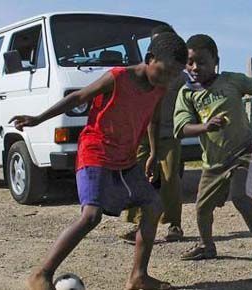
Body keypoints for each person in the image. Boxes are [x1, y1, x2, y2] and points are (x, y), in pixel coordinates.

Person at [11, 32, 187, 290]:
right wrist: (38, 118)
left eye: (175, 75)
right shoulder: (119, 77)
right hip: (96, 151)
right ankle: (42, 273)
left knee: (153, 204)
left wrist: (152, 153)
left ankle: (138, 277)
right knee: (91, 216)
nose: (169, 79)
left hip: (125, 158)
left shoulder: (159, 89)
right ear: (150, 59)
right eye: (166, 71)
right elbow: (78, 97)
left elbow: (154, 120)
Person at [173, 34, 252, 273]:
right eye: (189, 62)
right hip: (213, 162)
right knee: (202, 208)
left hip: (244, 152)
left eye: (201, 62)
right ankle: (206, 245)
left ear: (216, 61)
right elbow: (181, 128)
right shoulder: (186, 94)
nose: (194, 67)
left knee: (241, 197)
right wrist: (206, 126)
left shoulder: (231, 81)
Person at [120, 24, 188, 244]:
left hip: (168, 133)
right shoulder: (141, 73)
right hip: (141, 135)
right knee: (138, 176)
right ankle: (140, 226)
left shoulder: (178, 76)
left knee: (170, 179)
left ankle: (174, 225)